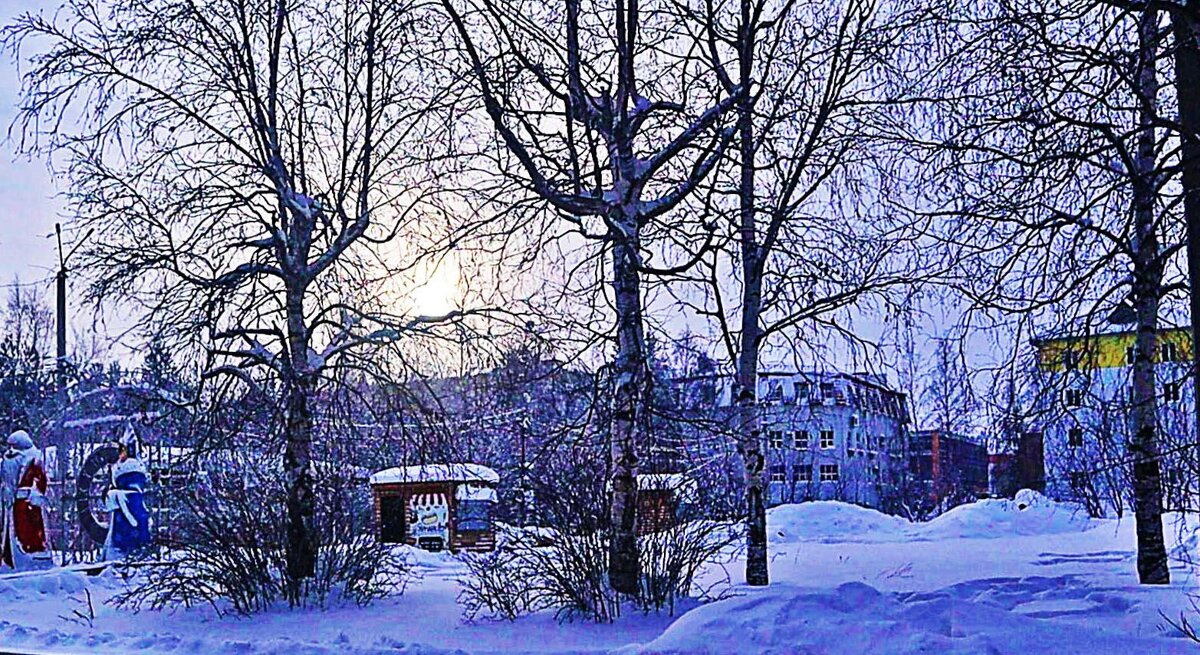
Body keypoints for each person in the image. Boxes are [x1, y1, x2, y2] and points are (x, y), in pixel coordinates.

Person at [0, 430, 52, 570]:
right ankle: (9, 558)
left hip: (27, 503)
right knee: (11, 531)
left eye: (14, 446)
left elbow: (40, 479)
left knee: (29, 533)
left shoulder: (33, 457)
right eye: (9, 446)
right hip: (10, 503)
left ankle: (31, 558)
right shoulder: (7, 459)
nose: (11, 449)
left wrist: (35, 493)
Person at [104, 438, 151, 561]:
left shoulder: (119, 494)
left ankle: (132, 550)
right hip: (128, 533)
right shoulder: (125, 495)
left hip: (123, 536)